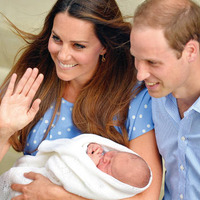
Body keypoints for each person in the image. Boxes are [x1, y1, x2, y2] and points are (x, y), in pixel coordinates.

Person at [0, 0, 162, 199]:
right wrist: (3, 130)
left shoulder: (135, 98)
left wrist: (56, 195)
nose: (63, 55)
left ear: (104, 46)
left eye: (78, 45)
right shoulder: (33, 79)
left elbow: (147, 197)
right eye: (57, 39)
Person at [130, 0, 200, 199]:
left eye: (153, 62)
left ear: (190, 52)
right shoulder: (151, 95)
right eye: (136, 57)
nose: (140, 74)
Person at [0, 134, 152, 200]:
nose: (105, 158)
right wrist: (87, 148)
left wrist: (86, 162)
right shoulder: (100, 156)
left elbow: (68, 173)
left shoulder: (102, 188)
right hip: (32, 180)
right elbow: (72, 151)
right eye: (112, 155)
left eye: (109, 165)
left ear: (114, 183)